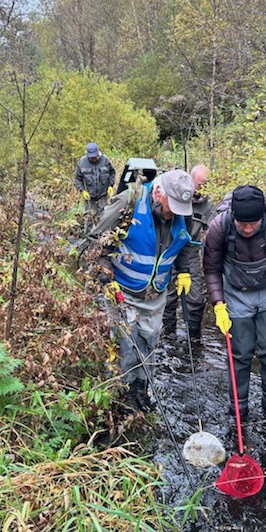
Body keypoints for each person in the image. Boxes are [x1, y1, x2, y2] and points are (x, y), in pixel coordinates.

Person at [86, 169, 195, 410]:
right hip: (122, 291)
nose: (174, 213)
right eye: (171, 206)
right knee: (125, 346)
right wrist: (106, 279)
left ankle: (141, 391)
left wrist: (184, 269)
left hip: (156, 295)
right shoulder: (129, 203)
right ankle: (121, 398)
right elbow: (96, 243)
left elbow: (185, 241)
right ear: (158, 192)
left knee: (149, 344)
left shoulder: (181, 211)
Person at [203, 184, 266, 425]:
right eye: (243, 224)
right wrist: (219, 305)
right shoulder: (219, 227)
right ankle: (238, 411)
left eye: (253, 223)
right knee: (240, 353)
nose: (248, 229)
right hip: (237, 294)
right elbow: (211, 270)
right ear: (234, 218)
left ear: (262, 217)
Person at [163, 164, 215, 340]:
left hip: (191, 253)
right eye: (198, 186)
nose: (200, 191)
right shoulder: (176, 194)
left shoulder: (208, 205)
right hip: (170, 252)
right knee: (168, 297)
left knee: (196, 298)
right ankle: (168, 336)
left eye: (204, 186)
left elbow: (214, 230)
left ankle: (194, 337)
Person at [74, 142, 116, 226]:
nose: (93, 158)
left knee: (104, 216)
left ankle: (103, 236)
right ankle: (89, 237)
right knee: (89, 217)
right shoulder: (82, 162)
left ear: (98, 153)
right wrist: (83, 191)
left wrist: (111, 185)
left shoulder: (105, 160)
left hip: (103, 194)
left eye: (94, 156)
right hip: (89, 196)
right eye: (91, 157)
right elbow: (77, 179)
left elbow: (112, 172)